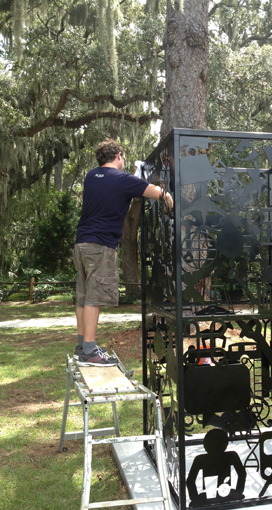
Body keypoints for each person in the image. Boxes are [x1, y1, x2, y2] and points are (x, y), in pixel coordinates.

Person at [73, 138, 173, 366]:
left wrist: (135, 178)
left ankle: (82, 346)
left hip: (81, 244)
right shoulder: (123, 179)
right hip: (101, 246)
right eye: (123, 157)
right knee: (95, 298)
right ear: (118, 156)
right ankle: (89, 352)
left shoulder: (91, 175)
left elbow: (113, 190)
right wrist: (171, 203)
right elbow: (159, 193)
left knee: (84, 296)